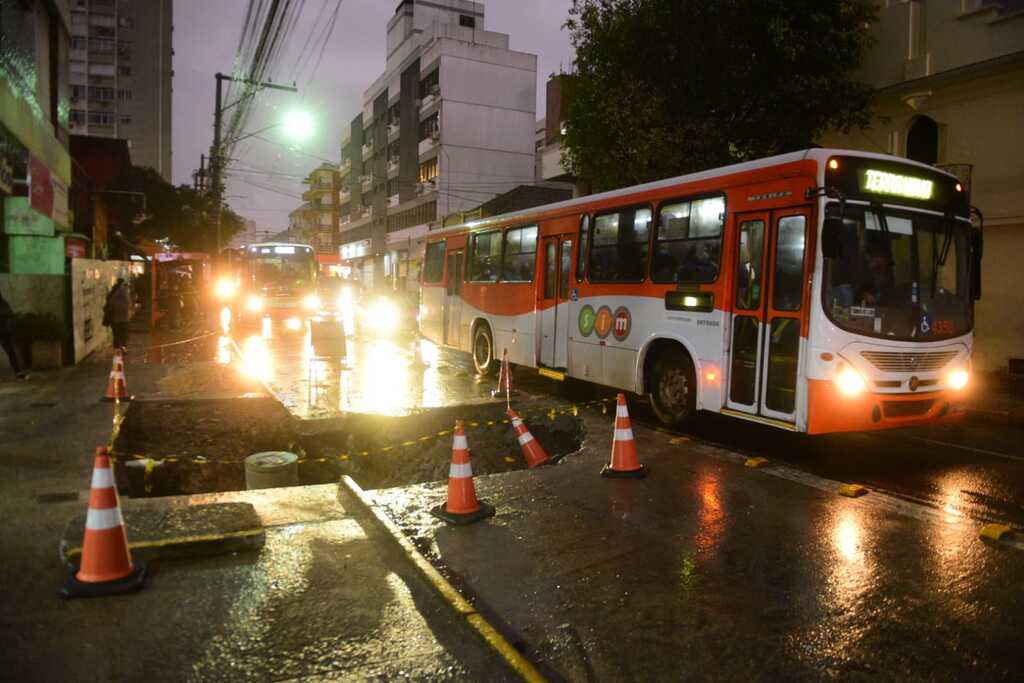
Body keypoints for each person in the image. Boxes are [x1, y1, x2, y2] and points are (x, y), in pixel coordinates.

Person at [0, 289, 28, 380]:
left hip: (4, 332)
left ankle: (18, 372)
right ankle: (18, 372)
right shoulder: (3, 303)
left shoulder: (3, 304)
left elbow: (9, 315)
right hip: (4, 331)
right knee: (11, 352)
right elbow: (10, 314)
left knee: (11, 352)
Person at [104, 278, 133, 351]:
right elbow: (129, 305)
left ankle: (117, 349)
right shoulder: (125, 293)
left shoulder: (113, 293)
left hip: (115, 319)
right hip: (124, 319)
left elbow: (110, 305)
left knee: (116, 334)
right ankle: (123, 347)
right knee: (124, 334)